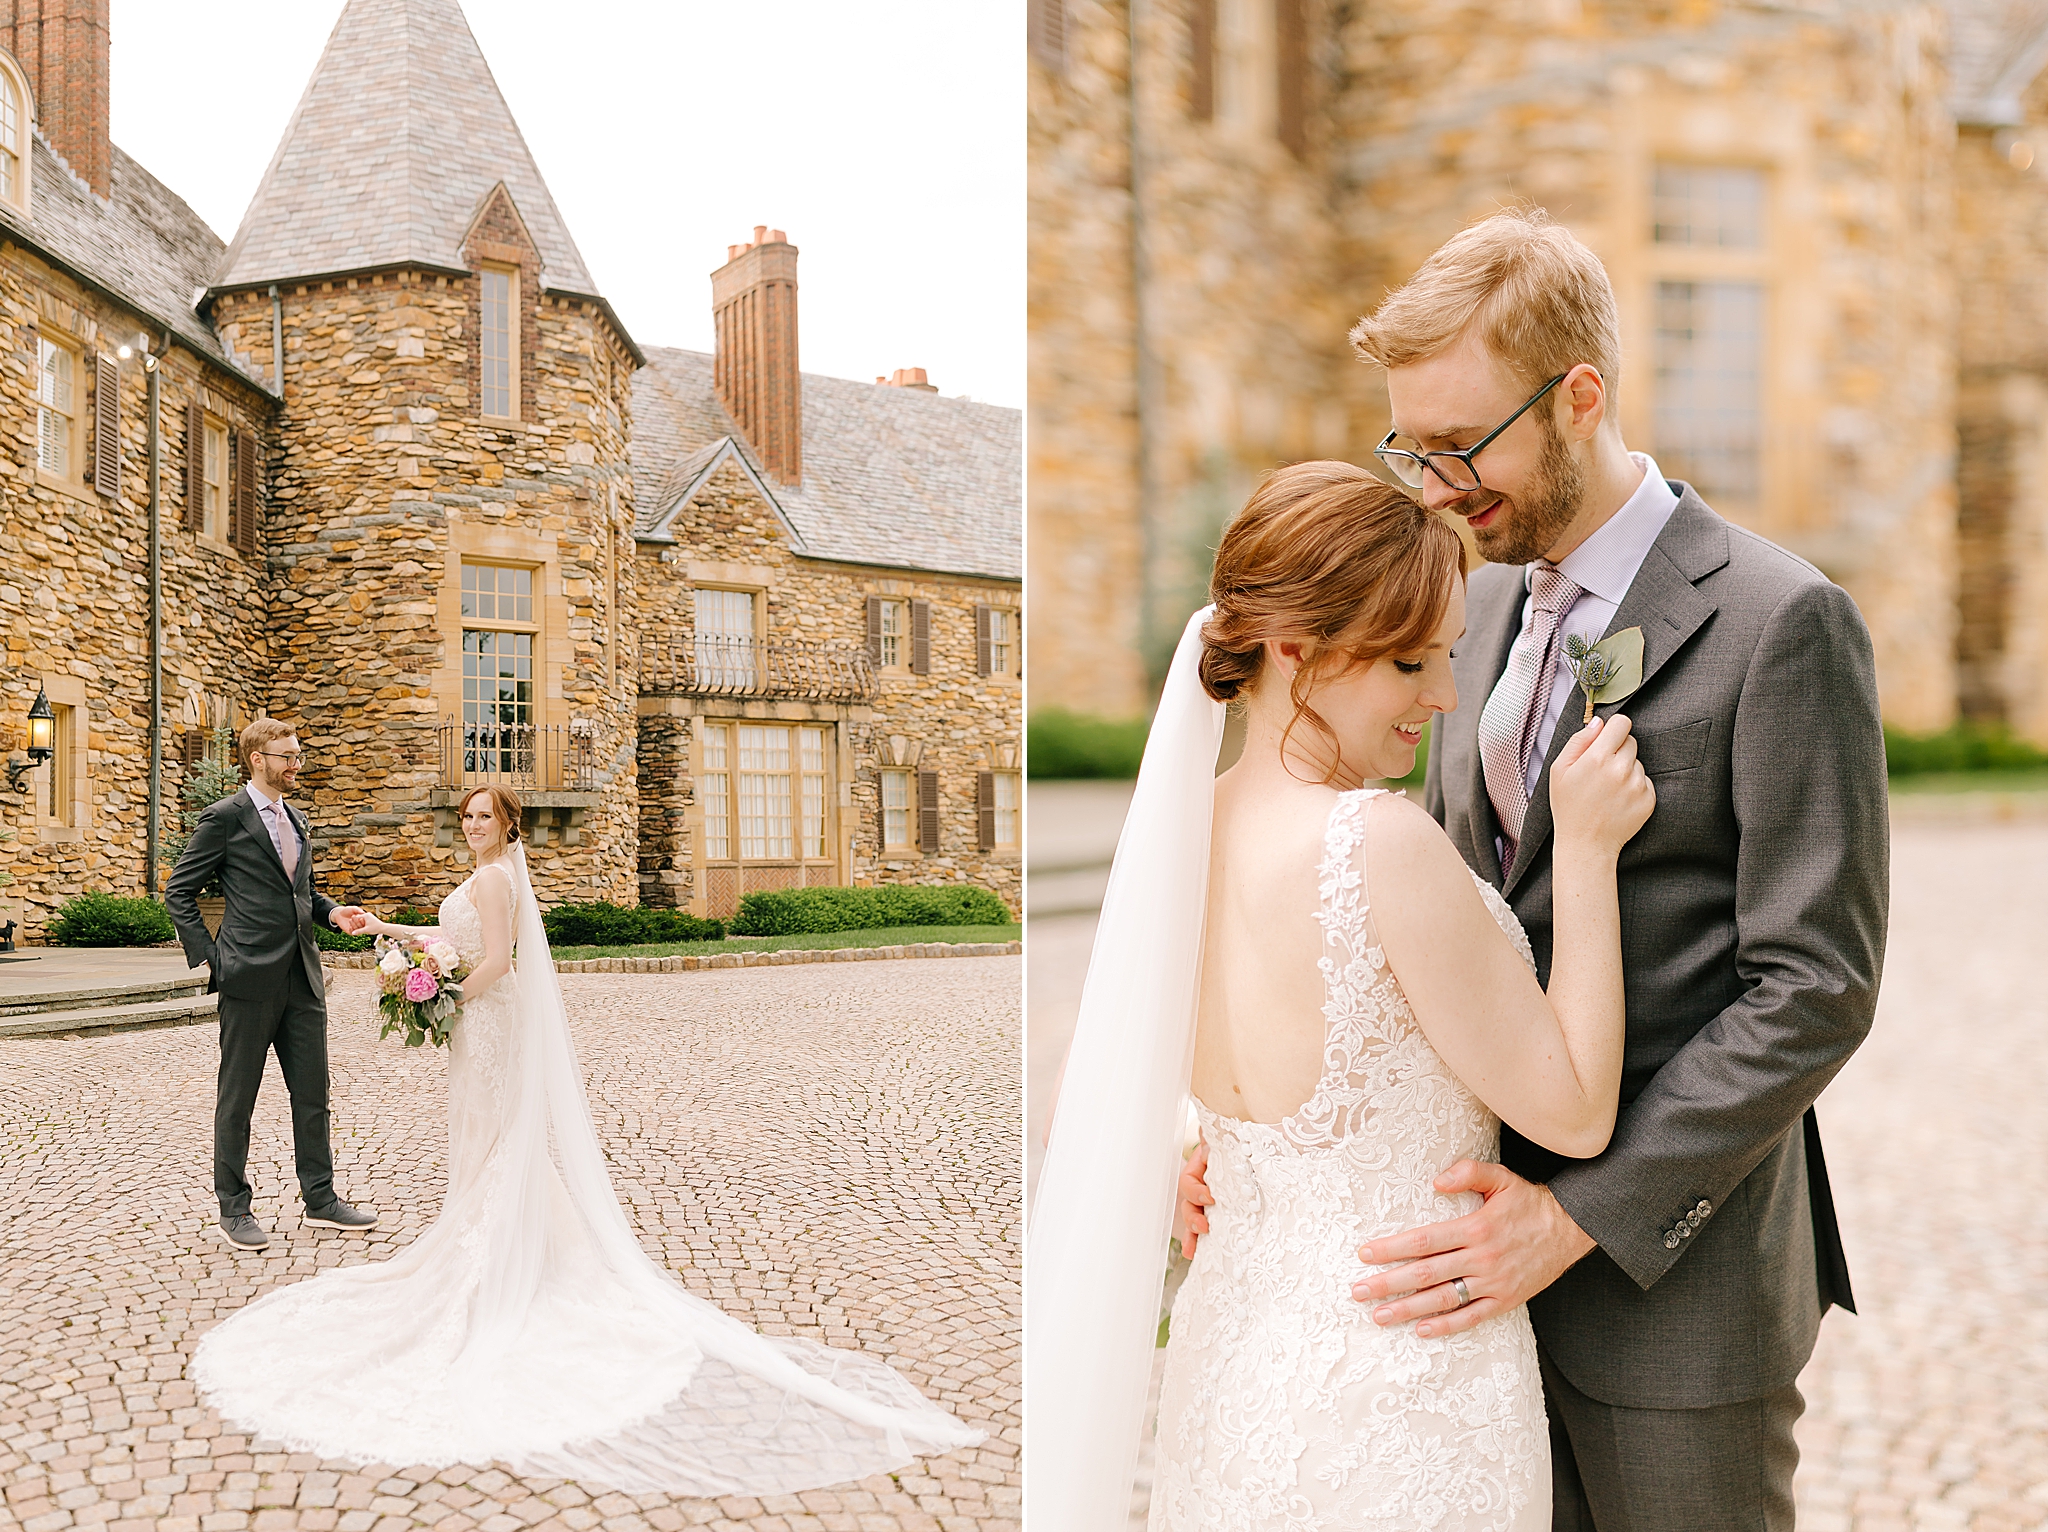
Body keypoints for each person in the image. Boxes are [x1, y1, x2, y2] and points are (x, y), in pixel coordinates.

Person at [1179, 208, 1889, 1529]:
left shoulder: (1780, 623)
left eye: (1460, 445)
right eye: (1412, 447)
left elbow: (1817, 987)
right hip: (1439, 1313)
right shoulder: (1466, 603)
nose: (1435, 484)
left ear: (1580, 396)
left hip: (1667, 1299)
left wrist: (1578, 1219)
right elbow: (1385, 929)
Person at [1028, 460, 1655, 1529]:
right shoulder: (1376, 843)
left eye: (1450, 655)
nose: (1445, 696)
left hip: (1230, 1381)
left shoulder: (1179, 832)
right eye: (1408, 661)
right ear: (1292, 649)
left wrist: (1191, 1144)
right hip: (1400, 1396)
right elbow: (1574, 1108)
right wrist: (1587, 850)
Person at [190, 784, 982, 1494]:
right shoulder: (486, 878)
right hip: (479, 1027)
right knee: (484, 1142)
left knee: (498, 1143)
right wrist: (384, 932)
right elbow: (448, 932)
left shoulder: (499, 878)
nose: (471, 827)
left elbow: (496, 962)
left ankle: (505, 1267)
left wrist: (443, 996)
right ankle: (509, 1250)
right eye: (465, 817)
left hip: (488, 1023)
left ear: (507, 826)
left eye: (484, 817)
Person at [165, 717, 378, 1249]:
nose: (296, 762)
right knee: (237, 1099)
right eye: (287, 755)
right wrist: (215, 960)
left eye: (297, 753)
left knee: (313, 1093)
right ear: (257, 760)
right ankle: (234, 1209)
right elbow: (179, 892)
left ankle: (321, 1200)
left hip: (303, 977)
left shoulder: (297, 818)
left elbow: (299, 893)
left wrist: (331, 915)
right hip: (248, 979)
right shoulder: (224, 819)